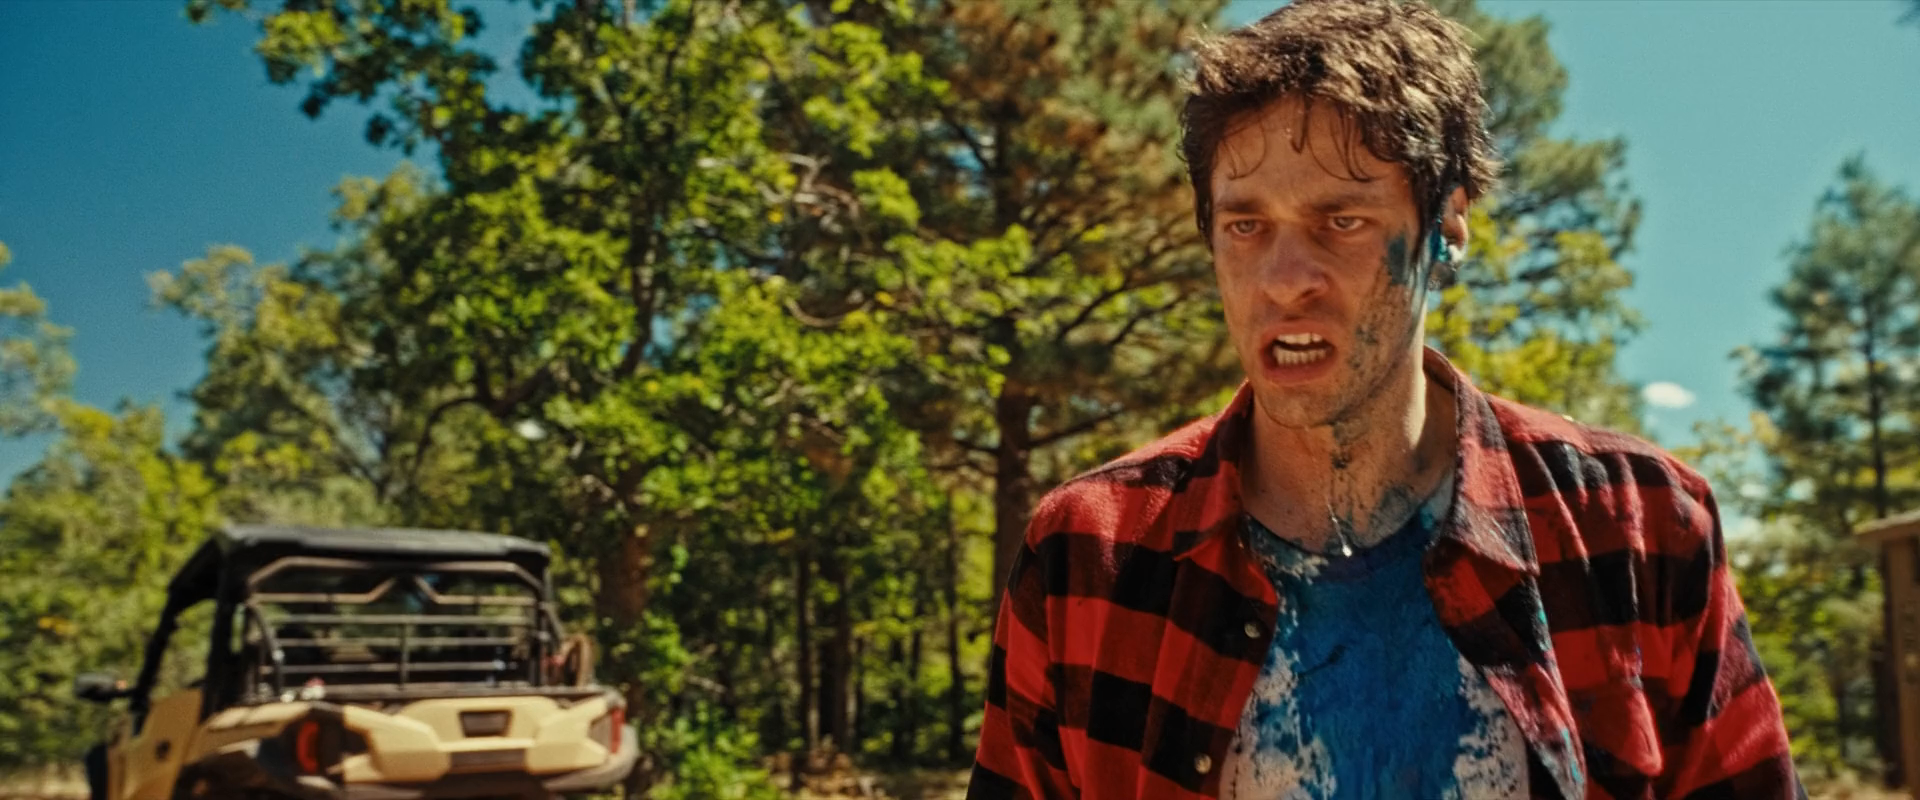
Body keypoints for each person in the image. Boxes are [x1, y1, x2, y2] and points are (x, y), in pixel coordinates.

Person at [966, 0, 1801, 798]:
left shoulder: (1637, 526)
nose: (1285, 281)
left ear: (1448, 226)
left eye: (1343, 221)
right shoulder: (1092, 555)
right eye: (1246, 226)